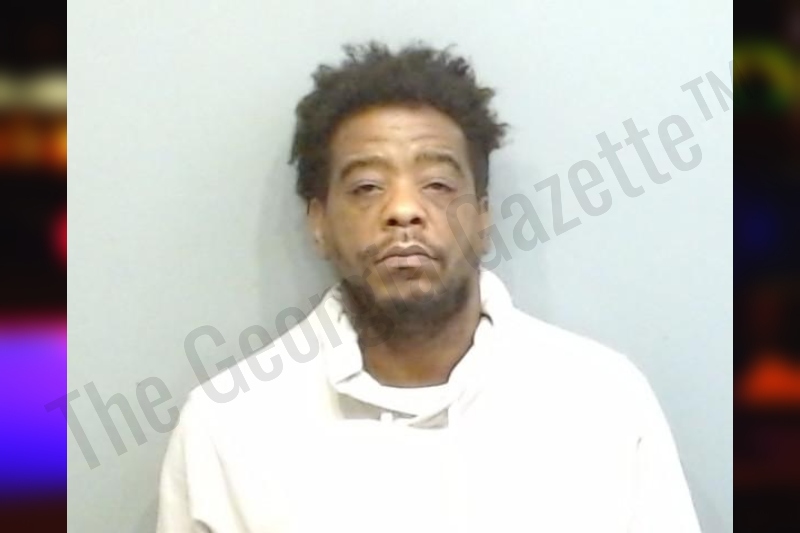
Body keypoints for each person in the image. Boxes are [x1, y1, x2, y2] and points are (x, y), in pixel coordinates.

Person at [157, 41, 702, 533]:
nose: (403, 209)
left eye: (437, 184)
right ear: (319, 223)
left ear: (482, 217)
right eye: (367, 186)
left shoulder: (602, 402)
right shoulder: (229, 426)